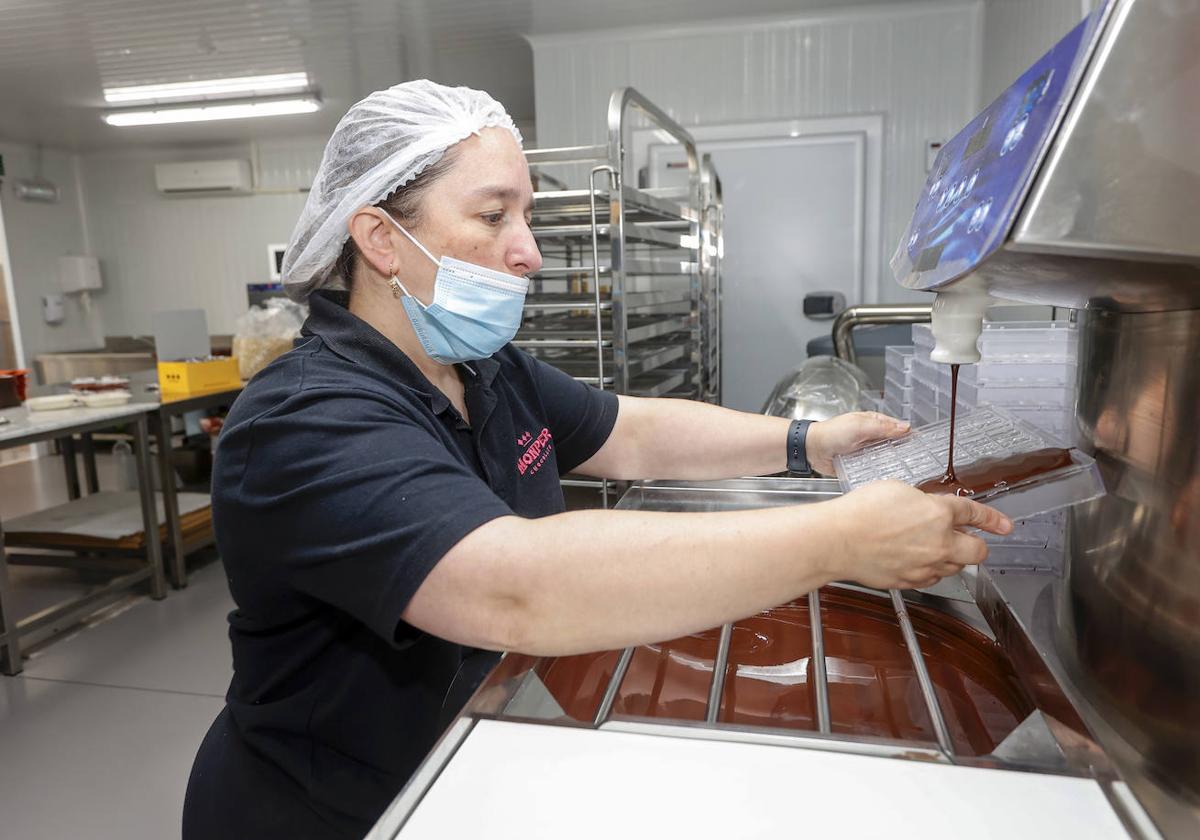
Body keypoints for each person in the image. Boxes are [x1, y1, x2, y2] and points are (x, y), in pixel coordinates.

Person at [183, 80, 1011, 839]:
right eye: (491, 215)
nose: (529, 251)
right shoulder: (304, 421)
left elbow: (633, 432)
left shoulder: (484, 369)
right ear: (381, 240)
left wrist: (809, 446)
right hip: (332, 813)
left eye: (528, 216)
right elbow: (514, 585)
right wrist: (840, 539)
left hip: (458, 761)